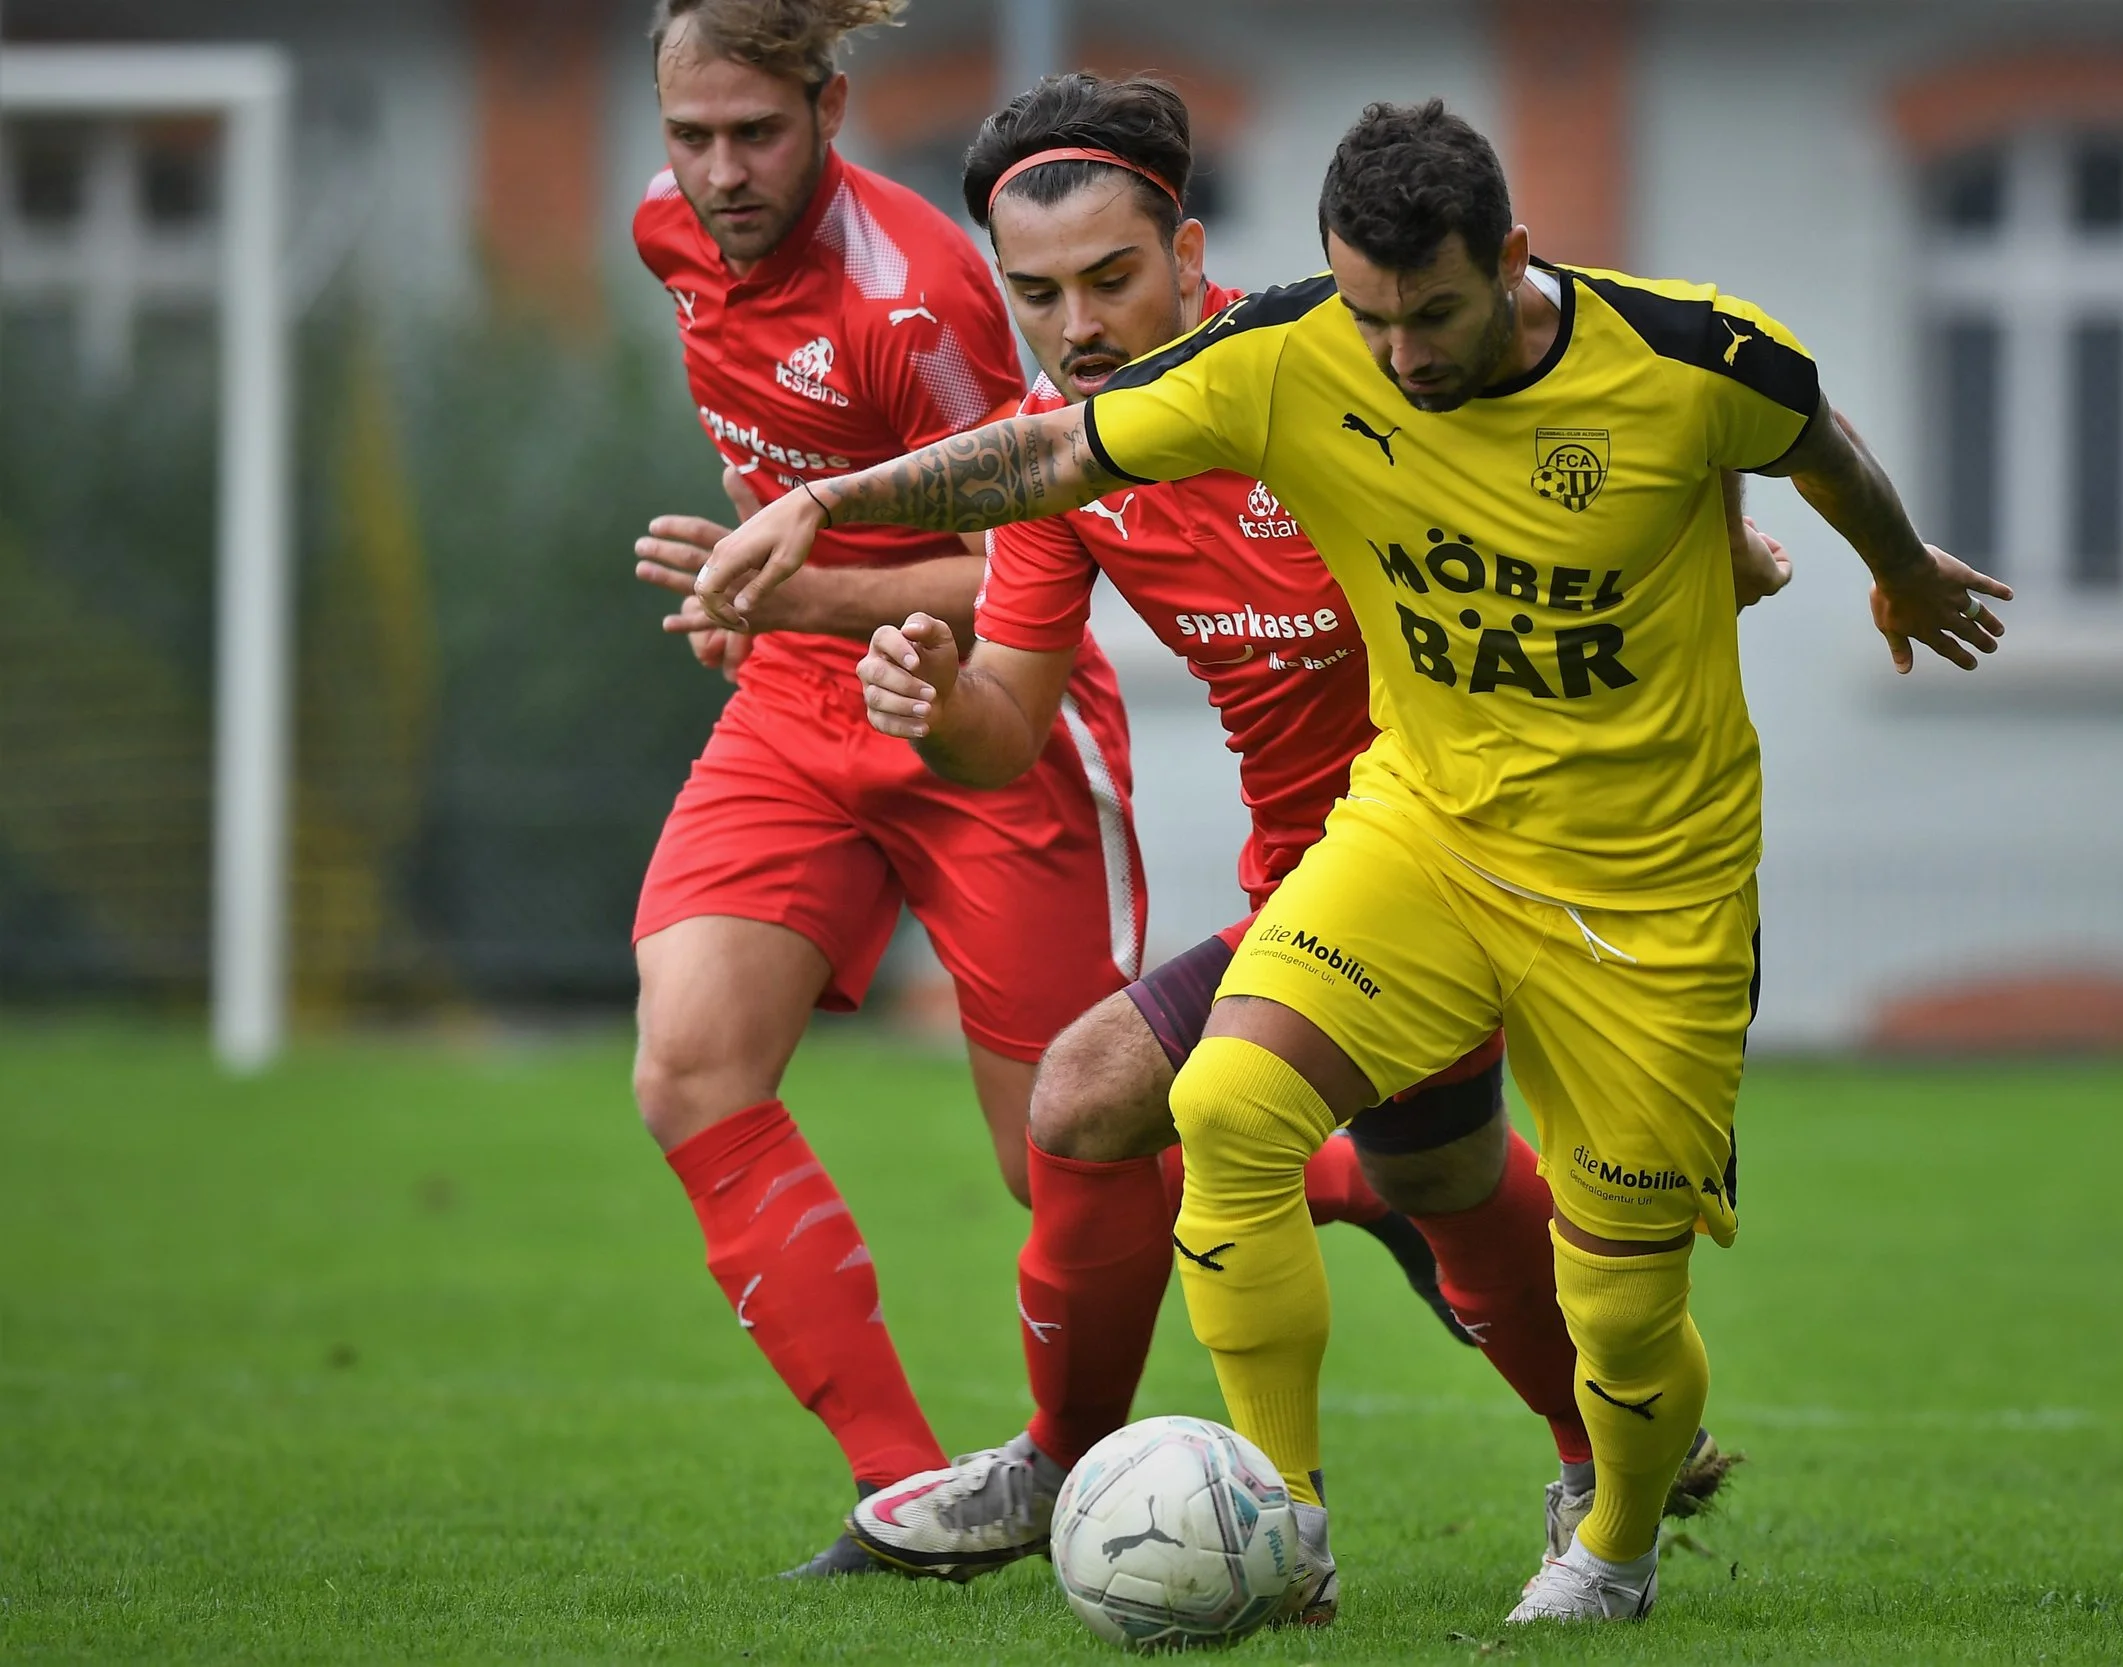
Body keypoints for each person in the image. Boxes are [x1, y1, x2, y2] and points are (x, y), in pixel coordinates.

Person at [693, 100, 2010, 1625]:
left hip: (1626, 890)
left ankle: (1611, 1506)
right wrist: (871, 602)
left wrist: (1846, 565)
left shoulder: (1548, 360)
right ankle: (1248, 1514)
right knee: (1213, 1110)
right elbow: (1027, 578)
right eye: (1037, 293)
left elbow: (1757, 439)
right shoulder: (1215, 406)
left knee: (1567, 1271)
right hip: (1389, 858)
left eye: (1110, 279)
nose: (1402, 355)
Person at [834, 74, 1780, 1594]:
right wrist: (934, 699)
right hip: (1326, 881)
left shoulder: (1347, 370)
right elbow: (1009, 720)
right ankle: (1560, 1463)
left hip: (1482, 860)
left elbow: (1626, 400)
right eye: (1035, 295)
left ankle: (1556, 1470)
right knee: (1402, 1171)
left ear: (1192, 257)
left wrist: (1717, 537)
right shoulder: (1058, 460)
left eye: (1110, 279)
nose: (1074, 325)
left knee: (1229, 1129)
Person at [625, 7, 1445, 1579]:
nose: (720, 172)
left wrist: (803, 587)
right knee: (689, 1067)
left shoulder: (922, 294)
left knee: (1060, 1147)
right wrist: (757, 571)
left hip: (993, 710)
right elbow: (771, 462)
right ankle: (911, 1492)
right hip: (796, 707)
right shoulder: (672, 243)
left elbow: (1022, 523)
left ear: (831, 106)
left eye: (758, 134)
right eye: (691, 135)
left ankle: (1360, 1177)